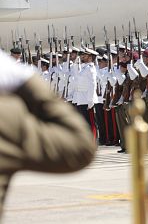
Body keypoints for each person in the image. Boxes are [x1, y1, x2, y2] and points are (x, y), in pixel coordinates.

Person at [0, 50, 96, 215]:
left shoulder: (89, 69)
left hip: (84, 98)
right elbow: (79, 147)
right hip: (74, 98)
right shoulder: (8, 116)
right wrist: (22, 78)